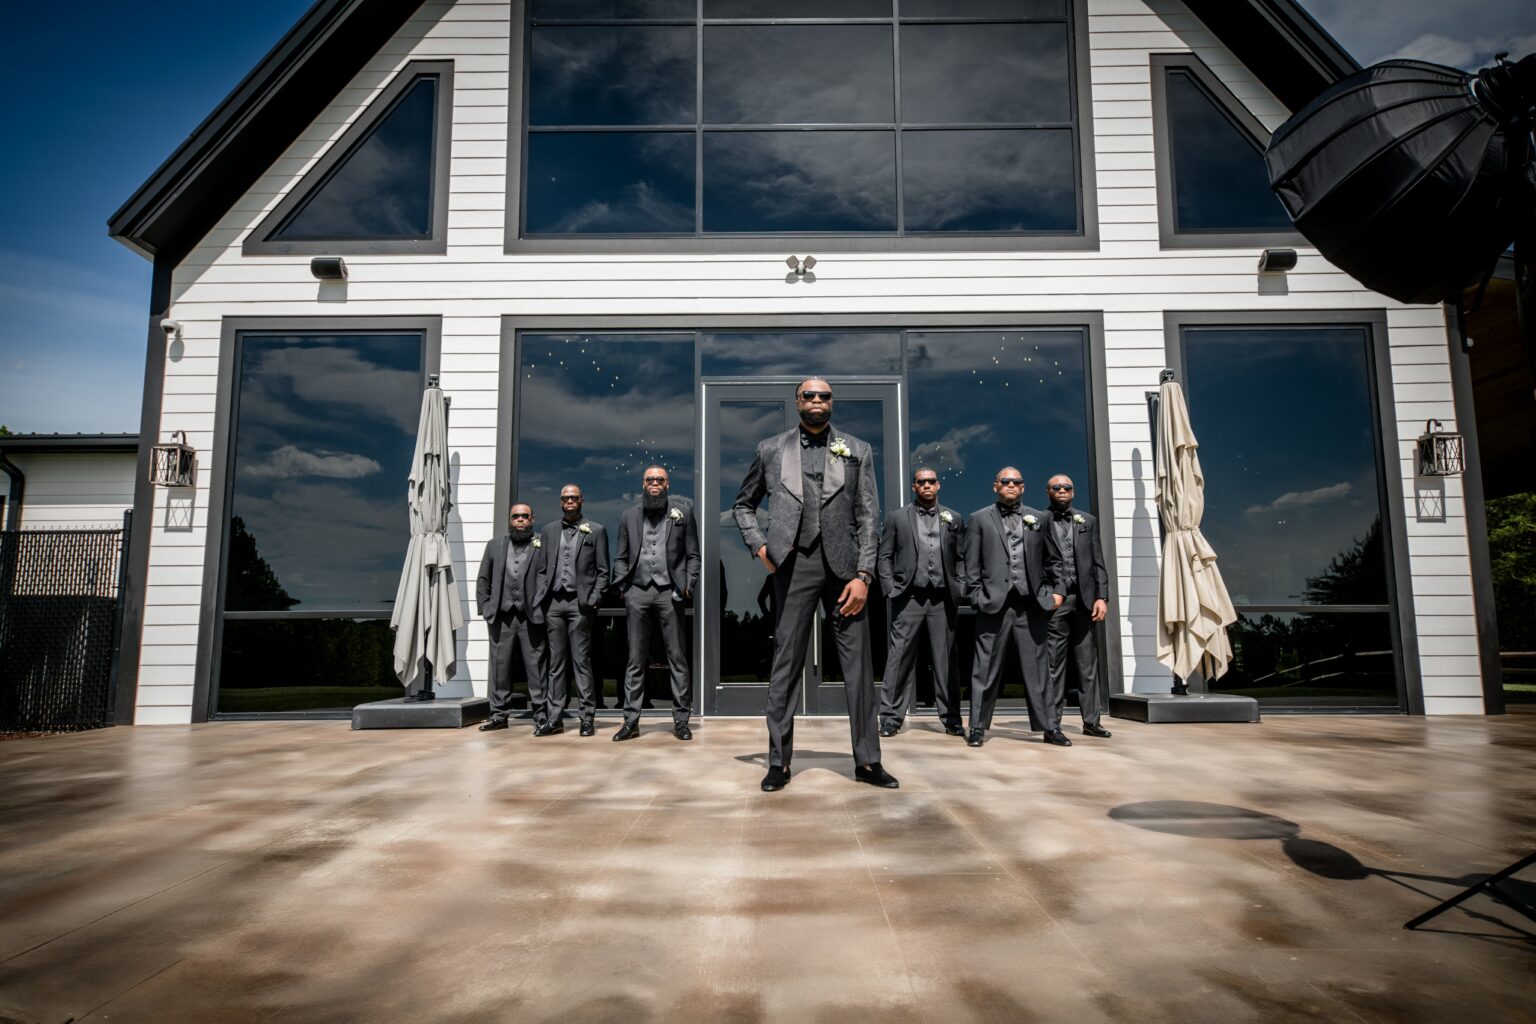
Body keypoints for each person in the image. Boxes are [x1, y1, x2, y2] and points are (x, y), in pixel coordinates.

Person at [733, 377, 897, 792]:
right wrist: (758, 546)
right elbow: (743, 505)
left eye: (825, 396)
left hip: (845, 572)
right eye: (810, 395)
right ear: (797, 402)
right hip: (794, 564)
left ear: (832, 403)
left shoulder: (858, 450)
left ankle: (867, 761)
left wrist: (864, 576)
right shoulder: (770, 449)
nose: (818, 401)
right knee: (785, 665)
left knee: (858, 668)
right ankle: (778, 762)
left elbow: (867, 518)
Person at [962, 468, 1066, 748]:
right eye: (1005, 481)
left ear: (1023, 487)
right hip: (993, 604)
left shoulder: (1040, 518)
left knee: (1039, 669)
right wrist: (976, 597)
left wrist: (1058, 594)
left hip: (1031, 604)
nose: (1011, 484)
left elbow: (1054, 560)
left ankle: (1050, 727)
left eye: (1016, 481)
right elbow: (970, 565)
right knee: (984, 669)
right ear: (995, 486)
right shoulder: (979, 519)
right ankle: (977, 727)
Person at [611, 465, 699, 741]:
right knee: (635, 660)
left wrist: (687, 585)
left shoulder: (682, 513)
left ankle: (681, 721)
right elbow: (621, 556)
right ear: (643, 483)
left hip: (669, 593)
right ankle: (630, 721)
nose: (655, 483)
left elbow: (693, 554)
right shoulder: (629, 516)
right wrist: (624, 587)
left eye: (660, 479)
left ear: (667, 483)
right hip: (637, 592)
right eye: (650, 479)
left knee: (677, 659)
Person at [877, 468, 966, 737]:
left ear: (937, 485)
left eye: (931, 481)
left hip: (942, 599)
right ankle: (891, 718)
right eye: (921, 482)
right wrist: (890, 589)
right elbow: (884, 556)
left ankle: (951, 718)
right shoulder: (897, 518)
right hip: (908, 598)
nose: (926, 485)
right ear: (914, 487)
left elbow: (962, 557)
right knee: (899, 658)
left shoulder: (954, 518)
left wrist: (959, 587)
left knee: (946, 660)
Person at [534, 484, 610, 738]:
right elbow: (542, 568)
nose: (569, 501)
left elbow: (603, 571)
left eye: (574, 497)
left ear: (581, 500)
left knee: (582, 662)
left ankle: (586, 717)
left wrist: (595, 598)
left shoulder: (596, 530)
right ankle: (554, 719)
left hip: (580, 604)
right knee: (556, 664)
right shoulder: (548, 531)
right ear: (560, 501)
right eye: (565, 498)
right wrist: (540, 597)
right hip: (554, 604)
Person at [1042, 474, 1112, 740]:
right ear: (1048, 491)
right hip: (1056, 603)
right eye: (1057, 487)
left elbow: (1098, 562)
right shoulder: (1038, 520)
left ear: (1073, 492)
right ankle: (1053, 725)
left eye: (1067, 487)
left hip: (1085, 601)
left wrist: (1101, 596)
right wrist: (1046, 596)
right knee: (1053, 665)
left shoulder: (1088, 521)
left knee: (1087, 664)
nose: (1062, 490)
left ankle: (1092, 721)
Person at [475, 503, 548, 733]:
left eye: (525, 516)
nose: (520, 520)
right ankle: (499, 715)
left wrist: (541, 606)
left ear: (532, 519)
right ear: (510, 519)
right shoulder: (494, 546)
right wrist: (486, 608)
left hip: (531, 616)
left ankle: (541, 713)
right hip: (501, 616)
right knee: (500, 667)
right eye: (516, 516)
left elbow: (548, 578)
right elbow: (483, 580)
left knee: (536, 667)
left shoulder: (542, 545)